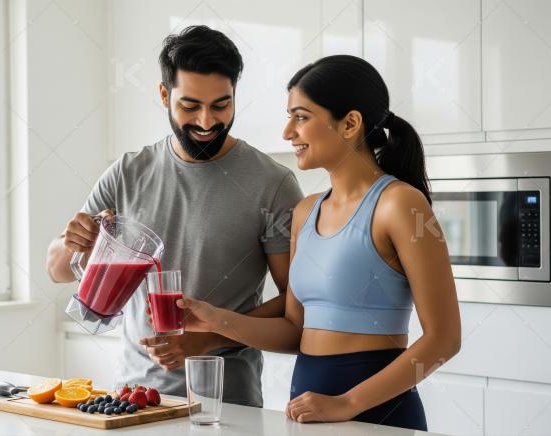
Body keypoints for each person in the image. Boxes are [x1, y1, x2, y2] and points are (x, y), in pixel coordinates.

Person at [176, 55, 461, 430]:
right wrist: (217, 321)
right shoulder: (305, 212)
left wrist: (347, 403)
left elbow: (444, 339)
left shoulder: (399, 204)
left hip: (379, 417)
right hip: (308, 414)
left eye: (301, 117)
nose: (287, 132)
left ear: (350, 124)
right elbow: (295, 329)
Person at [45, 25, 303, 407]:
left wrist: (212, 336)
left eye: (221, 105)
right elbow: (58, 269)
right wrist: (74, 241)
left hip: (228, 408)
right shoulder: (127, 173)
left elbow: (295, 304)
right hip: (133, 402)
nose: (205, 122)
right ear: (164, 95)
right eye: (189, 106)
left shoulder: (272, 183)